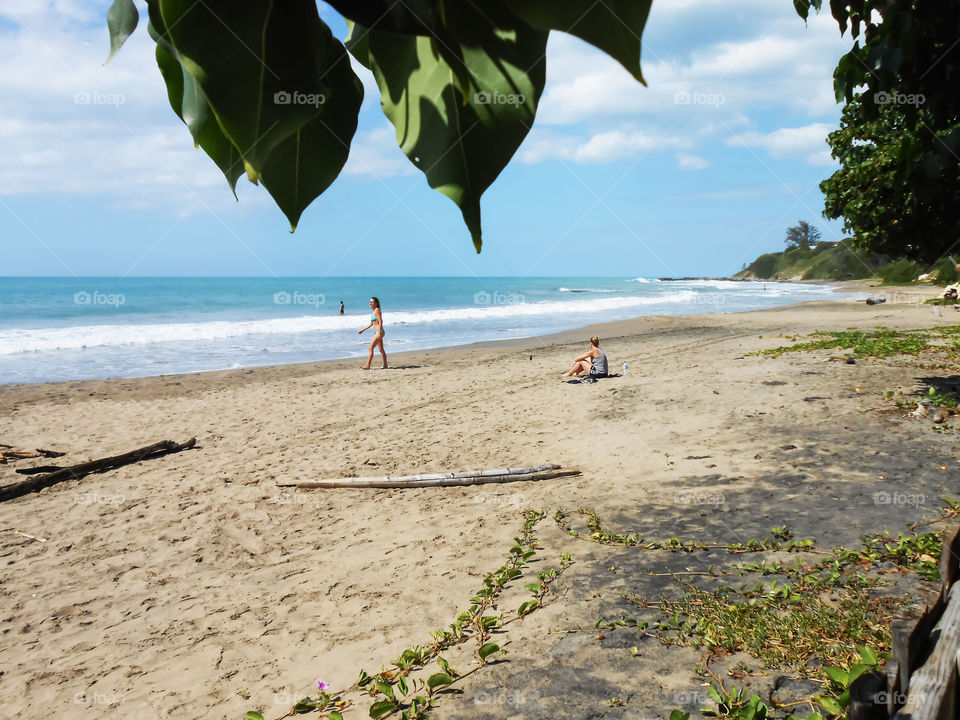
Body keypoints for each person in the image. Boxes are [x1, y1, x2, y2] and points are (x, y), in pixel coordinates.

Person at [358, 296, 387, 369]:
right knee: (381, 350)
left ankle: (368, 365)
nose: (370, 303)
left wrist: (379, 331)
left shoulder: (377, 310)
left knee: (370, 348)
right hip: (376, 332)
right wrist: (363, 330)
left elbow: (380, 321)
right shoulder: (373, 312)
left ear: (376, 303)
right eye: (370, 302)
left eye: (372, 302)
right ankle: (385, 365)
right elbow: (371, 324)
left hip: (379, 332)